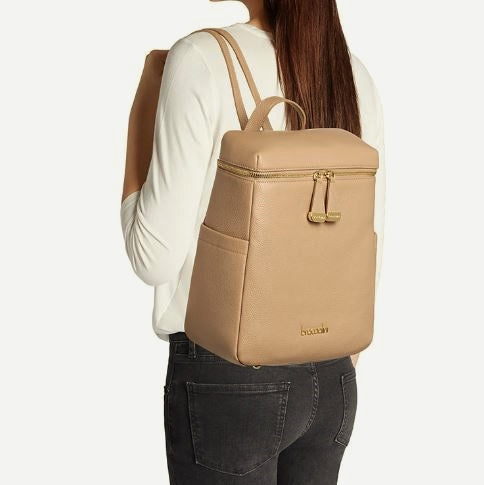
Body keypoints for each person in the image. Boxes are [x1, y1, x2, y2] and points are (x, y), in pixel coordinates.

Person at [120, 1, 386, 483]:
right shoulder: (350, 71)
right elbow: (368, 242)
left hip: (228, 377)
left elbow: (151, 258)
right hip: (334, 379)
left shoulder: (202, 58)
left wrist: (146, 100)